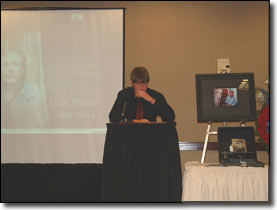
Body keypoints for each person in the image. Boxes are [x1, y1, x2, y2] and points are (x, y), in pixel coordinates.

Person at [1, 48, 49, 128]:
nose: (10, 69)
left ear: (23, 69)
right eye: (5, 64)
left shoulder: (36, 94)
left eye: (15, 64)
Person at [109, 66, 175, 123]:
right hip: (128, 134)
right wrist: (133, 121)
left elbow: (170, 117)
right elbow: (113, 117)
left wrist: (151, 100)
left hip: (150, 134)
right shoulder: (124, 94)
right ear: (132, 83)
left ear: (148, 82)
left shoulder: (155, 95)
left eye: (144, 84)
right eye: (138, 84)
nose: (141, 87)